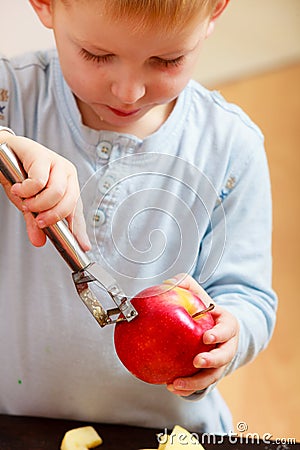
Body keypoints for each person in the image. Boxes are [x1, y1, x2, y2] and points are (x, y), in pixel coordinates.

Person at [0, 0, 277, 435]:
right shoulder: (11, 96)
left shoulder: (231, 147)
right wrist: (7, 146)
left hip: (169, 432)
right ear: (45, 4)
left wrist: (230, 335)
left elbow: (249, 295)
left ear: (215, 13)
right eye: (97, 56)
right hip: (21, 428)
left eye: (166, 60)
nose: (129, 92)